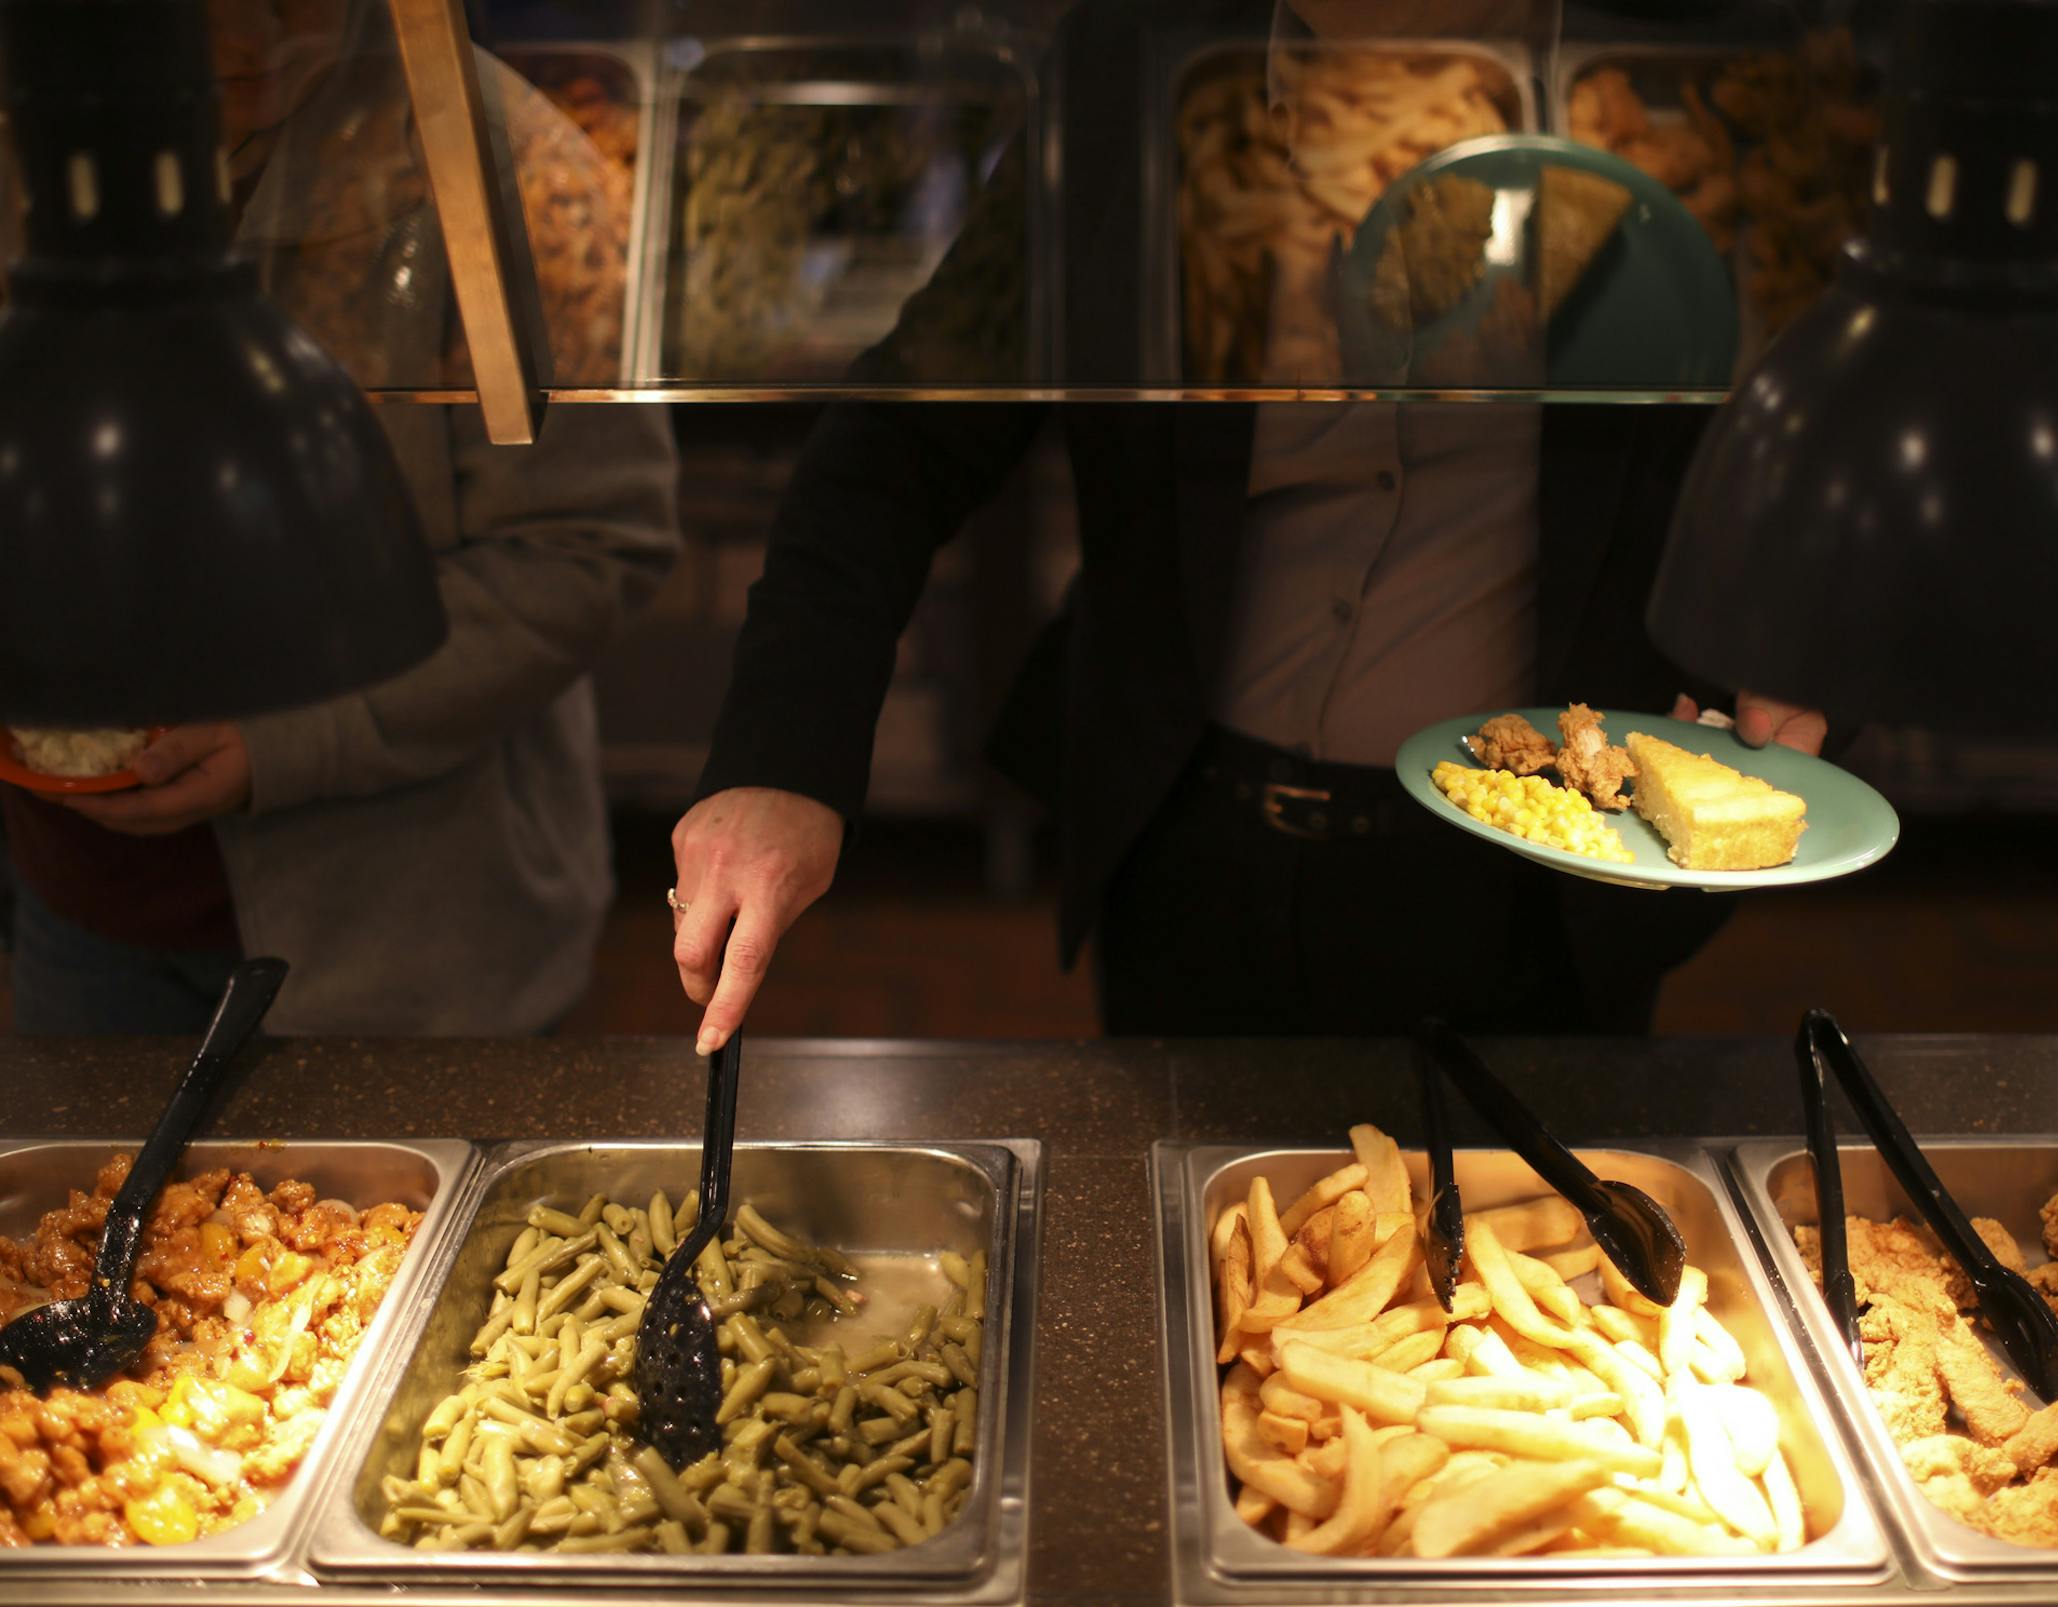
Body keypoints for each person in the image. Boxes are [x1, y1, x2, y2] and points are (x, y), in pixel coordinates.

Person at [667, 0, 1827, 1048]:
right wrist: (783, 759)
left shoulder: (1688, 70)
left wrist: (1811, 650)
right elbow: (904, 437)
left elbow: (1843, 413)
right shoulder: (1144, 63)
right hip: (1190, 844)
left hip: (1550, 871)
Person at [0, 0, 679, 1034]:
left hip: (400, 934)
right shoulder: (25, 138)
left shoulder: (504, 165)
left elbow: (589, 546)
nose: (245, 35)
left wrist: (291, 736)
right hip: (78, 908)